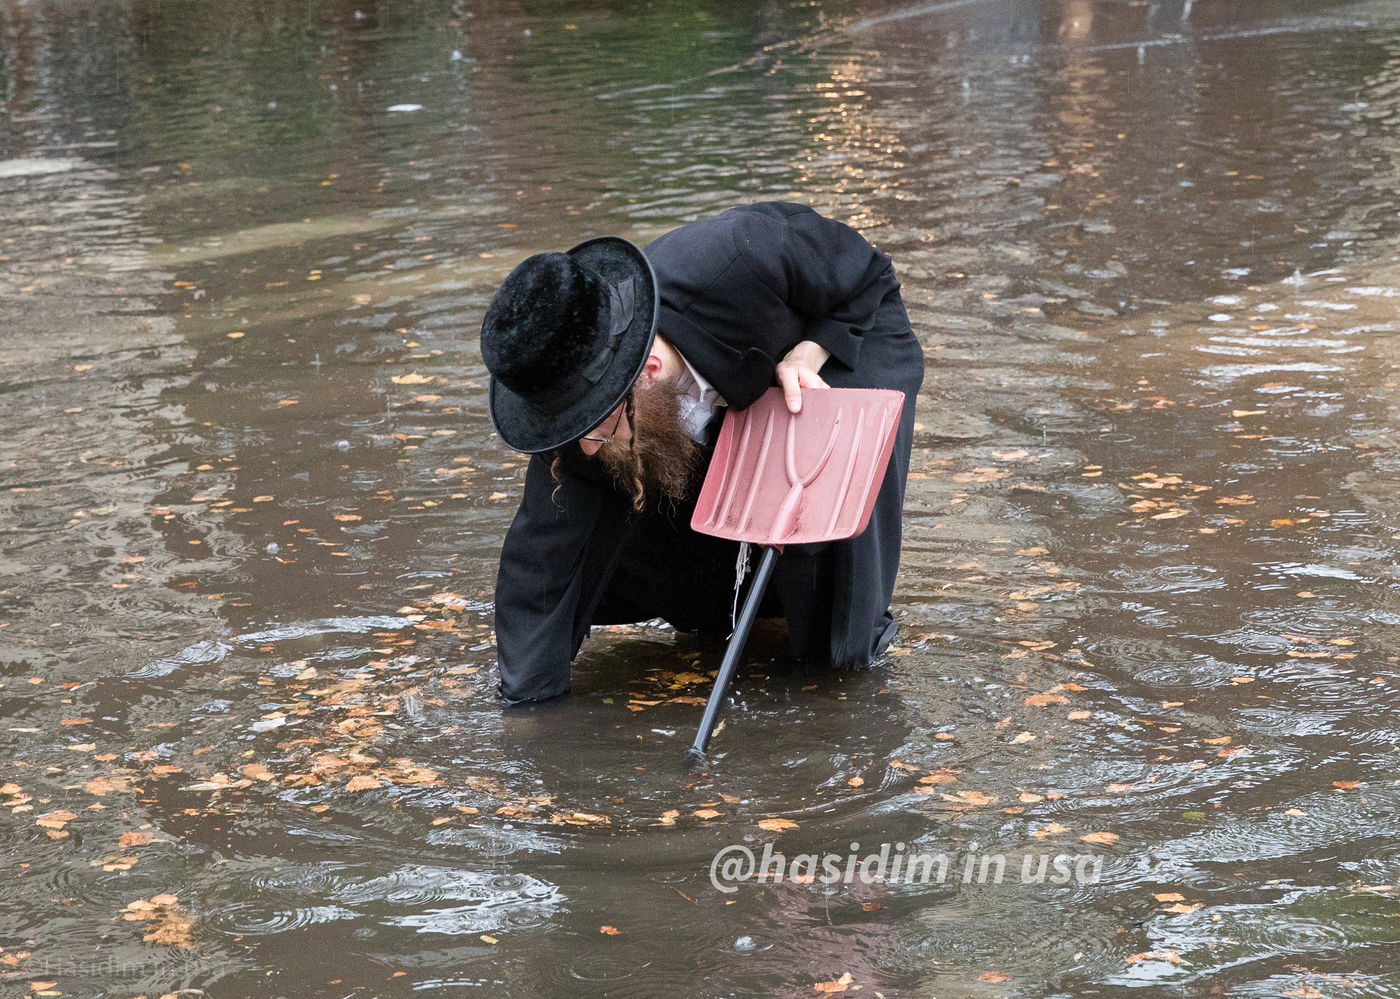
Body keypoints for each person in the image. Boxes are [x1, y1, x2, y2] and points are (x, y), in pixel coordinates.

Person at [479, 201, 923, 704]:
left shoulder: (744, 252)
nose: (583, 446)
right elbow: (540, 558)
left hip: (840, 363)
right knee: (601, 506)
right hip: (700, 401)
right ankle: (724, 612)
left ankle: (843, 653)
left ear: (646, 371)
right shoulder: (573, 409)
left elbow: (870, 275)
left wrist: (815, 346)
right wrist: (525, 704)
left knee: (814, 532)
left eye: (593, 427)